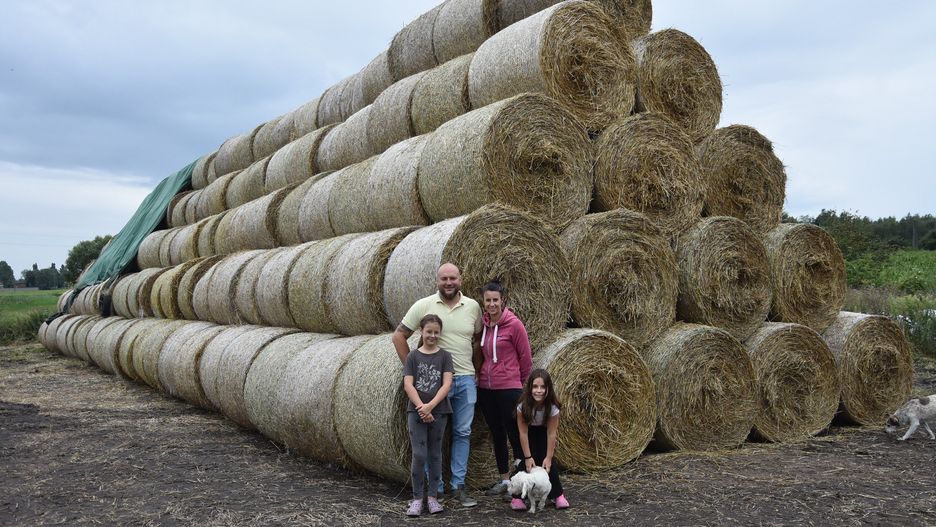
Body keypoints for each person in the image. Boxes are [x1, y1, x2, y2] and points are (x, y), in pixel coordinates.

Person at [392, 263, 482, 507]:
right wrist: (411, 366)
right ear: (437, 280)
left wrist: (477, 371)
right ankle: (436, 489)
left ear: (460, 280)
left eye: (453, 278)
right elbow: (398, 335)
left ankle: (458, 486)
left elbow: (476, 342)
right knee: (433, 438)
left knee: (463, 432)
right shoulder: (423, 305)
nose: (449, 282)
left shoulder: (473, 306)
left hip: (463, 379)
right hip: (432, 382)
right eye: (444, 278)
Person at [475, 281, 533, 498]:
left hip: (509, 388)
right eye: (488, 300)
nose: (491, 304)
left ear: (502, 300)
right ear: (484, 301)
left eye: (495, 300)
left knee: (514, 433)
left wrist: (520, 384)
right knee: (497, 434)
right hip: (486, 389)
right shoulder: (484, 325)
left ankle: (519, 483)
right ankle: (504, 479)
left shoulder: (514, 325)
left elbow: (525, 357)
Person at [403, 314, 453, 517]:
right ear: (421, 332)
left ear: (440, 333)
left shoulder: (445, 356)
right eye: (428, 331)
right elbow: (408, 384)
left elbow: (447, 383)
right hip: (415, 412)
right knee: (419, 455)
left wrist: (430, 406)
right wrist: (421, 407)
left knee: (435, 454)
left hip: (439, 411)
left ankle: (432, 498)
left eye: (436, 332)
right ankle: (417, 499)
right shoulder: (413, 356)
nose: (432, 335)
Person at [513, 368, 569, 511]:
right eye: (535, 387)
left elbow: (551, 433)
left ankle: (557, 495)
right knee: (527, 463)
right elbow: (523, 433)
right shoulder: (522, 406)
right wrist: (527, 457)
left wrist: (549, 457)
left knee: (546, 462)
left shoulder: (552, 407)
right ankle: (517, 498)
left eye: (543, 387)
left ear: (548, 388)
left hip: (544, 433)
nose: (539, 390)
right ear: (530, 387)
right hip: (528, 433)